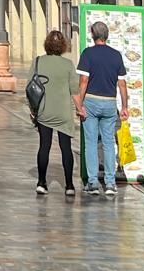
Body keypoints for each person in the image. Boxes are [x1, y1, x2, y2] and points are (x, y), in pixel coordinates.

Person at [72, 20, 129, 198]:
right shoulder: (116, 55)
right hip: (110, 103)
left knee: (90, 143)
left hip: (91, 101)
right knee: (108, 143)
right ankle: (110, 183)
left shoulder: (88, 54)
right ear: (107, 35)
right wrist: (125, 106)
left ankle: (93, 183)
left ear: (92, 34)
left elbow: (84, 81)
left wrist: (79, 104)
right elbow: (122, 84)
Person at [30, 31, 78, 198]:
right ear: (63, 46)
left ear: (47, 44)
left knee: (44, 146)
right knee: (66, 148)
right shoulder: (68, 64)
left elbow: (30, 88)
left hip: (45, 111)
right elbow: (75, 90)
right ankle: (69, 185)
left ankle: (41, 182)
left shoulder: (38, 62)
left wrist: (32, 110)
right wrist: (80, 108)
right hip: (63, 112)